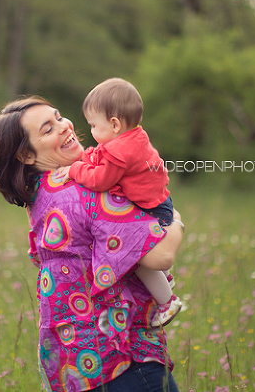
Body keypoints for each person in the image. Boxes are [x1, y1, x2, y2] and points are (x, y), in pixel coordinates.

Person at [0, 96, 183, 392]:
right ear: (27, 156)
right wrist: (175, 220)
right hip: (124, 358)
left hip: (75, 365)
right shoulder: (85, 191)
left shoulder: (41, 196)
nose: (65, 126)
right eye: (48, 129)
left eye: (59, 116)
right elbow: (161, 256)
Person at [55, 78, 182, 327]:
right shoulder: (133, 137)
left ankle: (168, 301)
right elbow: (103, 157)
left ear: (114, 124)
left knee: (136, 258)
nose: (90, 131)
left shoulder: (119, 153)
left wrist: (75, 170)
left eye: (93, 125)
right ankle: (165, 278)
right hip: (160, 203)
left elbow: (100, 180)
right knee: (140, 256)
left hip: (152, 211)